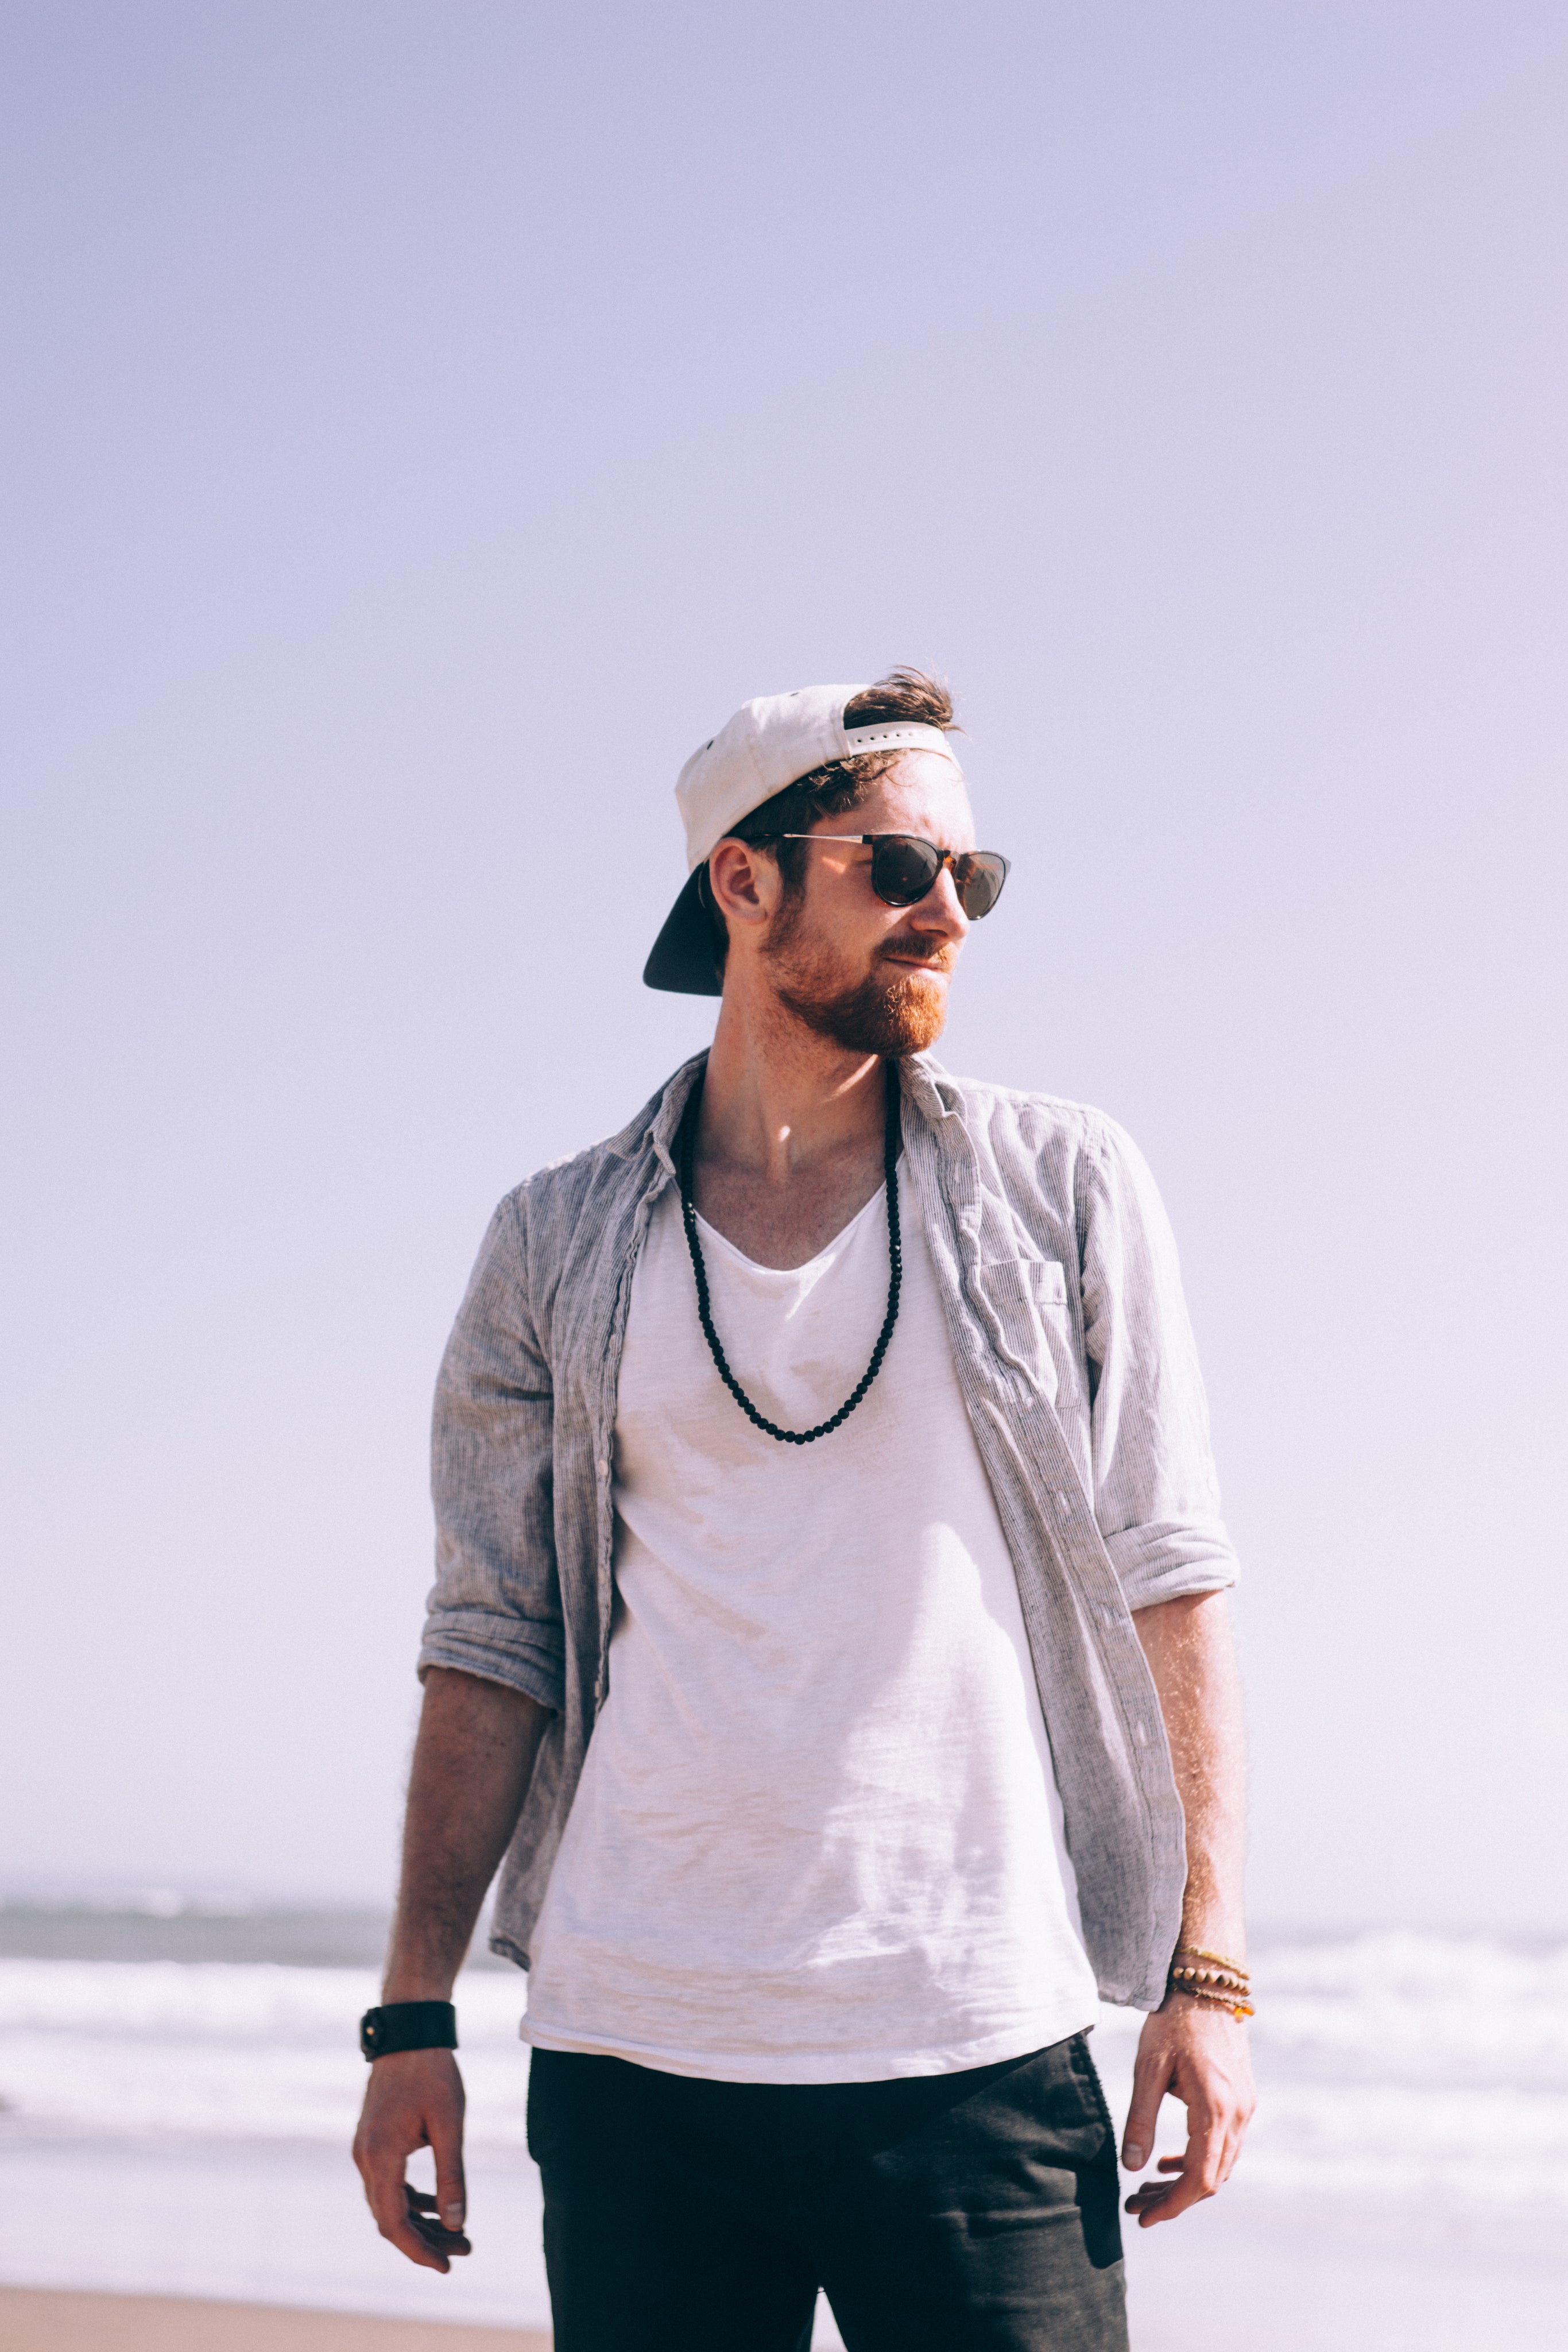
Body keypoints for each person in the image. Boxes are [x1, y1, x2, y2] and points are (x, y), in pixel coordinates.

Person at [353, 670, 1256, 2350]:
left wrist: (1207, 1975)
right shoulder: (553, 1243)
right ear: (742, 881)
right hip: (636, 2064)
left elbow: (1168, 1576)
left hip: (978, 2044)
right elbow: (490, 1642)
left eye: (972, 881)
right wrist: (411, 2015)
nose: (948, 917)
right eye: (900, 870)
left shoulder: (1062, 1185)